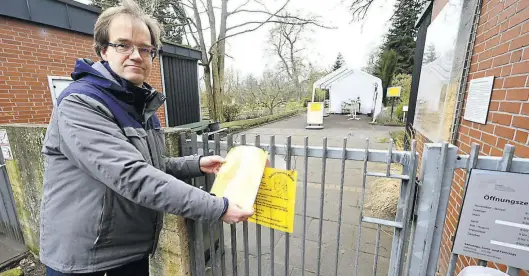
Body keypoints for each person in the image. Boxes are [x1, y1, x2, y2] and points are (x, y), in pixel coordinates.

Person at [39, 0, 253, 275]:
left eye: (145, 48)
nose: (136, 55)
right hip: (88, 260)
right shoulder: (81, 103)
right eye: (123, 45)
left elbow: (152, 164)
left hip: (130, 251)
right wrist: (217, 207)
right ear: (103, 51)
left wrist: (196, 164)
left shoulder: (142, 106)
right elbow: (132, 175)